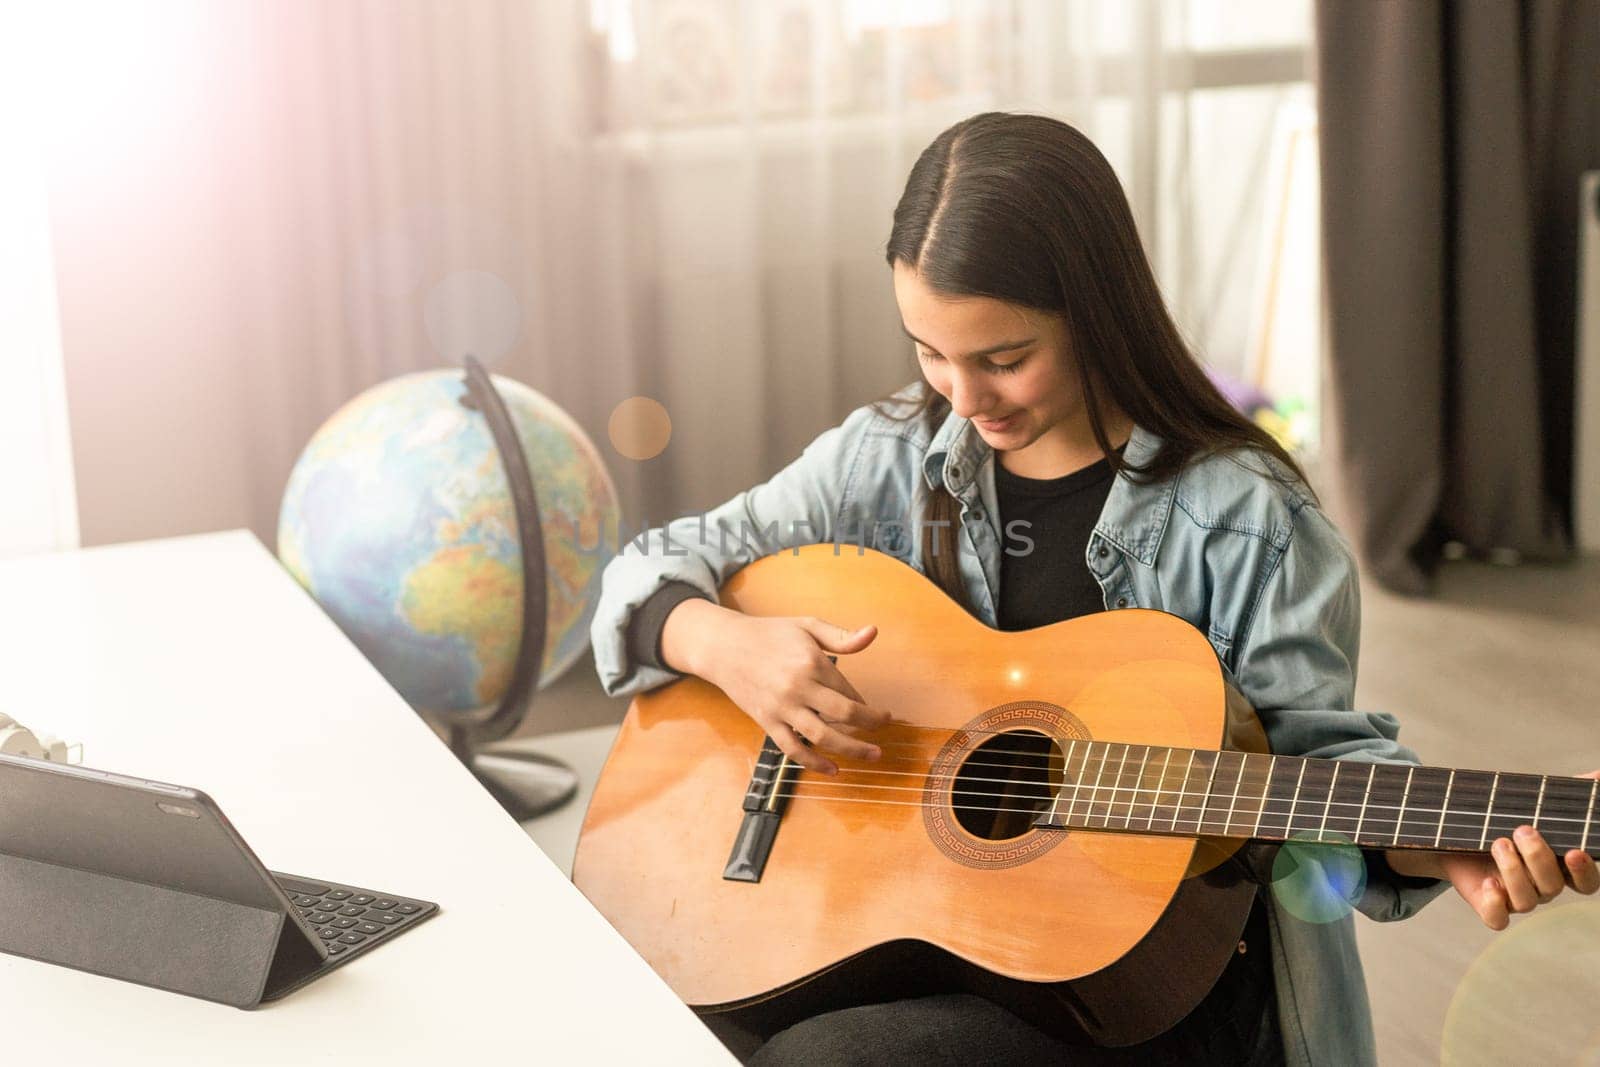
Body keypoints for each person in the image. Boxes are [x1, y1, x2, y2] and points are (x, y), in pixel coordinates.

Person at [588, 111, 1599, 1066]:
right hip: (938, 932)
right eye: (930, 352)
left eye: (1003, 358)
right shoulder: (888, 457)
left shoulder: (1248, 519)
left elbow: (1314, 800)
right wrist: (726, 645)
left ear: (1094, 313)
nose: (963, 397)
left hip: (1154, 987)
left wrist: (1433, 854)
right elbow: (649, 564)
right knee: (656, 1013)